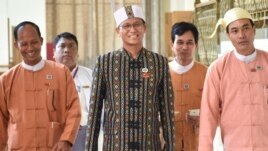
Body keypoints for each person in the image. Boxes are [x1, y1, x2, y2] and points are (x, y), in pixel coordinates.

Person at [85, 5, 175, 151]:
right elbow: (94, 111)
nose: (132, 30)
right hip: (115, 145)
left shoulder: (159, 62)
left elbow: (167, 110)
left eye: (137, 24)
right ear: (117, 31)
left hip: (149, 145)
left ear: (144, 28)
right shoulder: (104, 62)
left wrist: (170, 147)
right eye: (126, 26)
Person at [0, 21, 81, 151]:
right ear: (16, 45)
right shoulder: (6, 80)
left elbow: (74, 109)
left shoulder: (61, 72)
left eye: (34, 42)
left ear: (41, 41)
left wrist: (66, 139)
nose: (30, 48)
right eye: (24, 44)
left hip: (54, 147)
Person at [199, 7, 268, 150]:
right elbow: (208, 116)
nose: (241, 35)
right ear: (228, 35)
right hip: (234, 146)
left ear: (254, 30)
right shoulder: (217, 69)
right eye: (235, 31)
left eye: (246, 28)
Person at [169, 22, 207, 151]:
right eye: (180, 42)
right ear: (172, 45)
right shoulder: (161, 73)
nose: (185, 47)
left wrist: (203, 117)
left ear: (195, 45)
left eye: (189, 42)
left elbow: (218, 107)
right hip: (167, 141)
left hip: (198, 142)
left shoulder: (207, 73)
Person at [53, 32, 93, 151]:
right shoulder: (45, 76)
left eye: (71, 46)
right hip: (55, 134)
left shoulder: (91, 75)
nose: (67, 50)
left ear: (78, 53)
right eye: (62, 46)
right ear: (54, 53)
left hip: (83, 134)